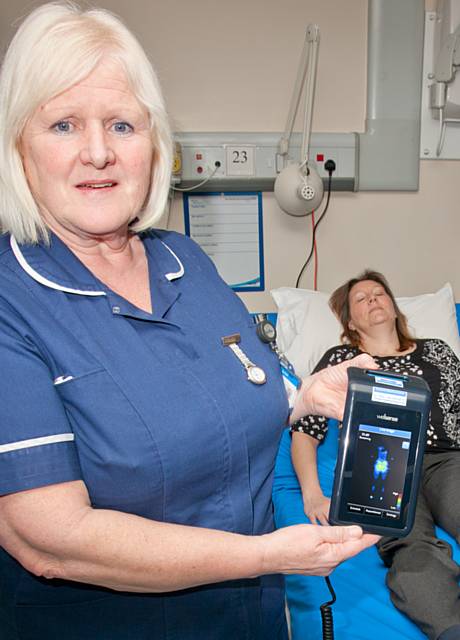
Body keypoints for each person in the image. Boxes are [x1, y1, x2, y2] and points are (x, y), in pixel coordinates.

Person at [0, 4, 379, 639]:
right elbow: (54, 541)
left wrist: (303, 398)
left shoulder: (185, 260)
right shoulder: (14, 301)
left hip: (249, 616)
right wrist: (271, 556)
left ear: (154, 143)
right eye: (63, 124)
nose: (98, 152)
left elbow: (227, 390)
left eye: (122, 124)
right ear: (19, 147)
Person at [289, 270, 460, 640]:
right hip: (382, 462)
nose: (373, 300)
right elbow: (306, 428)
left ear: (394, 308)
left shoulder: (438, 351)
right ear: (351, 322)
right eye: (361, 299)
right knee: (410, 546)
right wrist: (311, 493)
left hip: (446, 458)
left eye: (379, 293)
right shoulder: (340, 361)